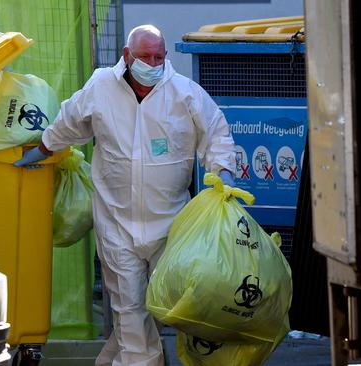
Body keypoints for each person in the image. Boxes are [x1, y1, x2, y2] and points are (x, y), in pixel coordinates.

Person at [14, 24, 236, 366]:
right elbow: (70, 120)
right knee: (129, 308)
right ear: (127, 56)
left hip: (171, 225)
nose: (152, 63)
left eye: (159, 56)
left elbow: (216, 132)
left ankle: (112, 362)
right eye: (145, 56)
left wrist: (222, 174)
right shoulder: (102, 86)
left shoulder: (184, 93)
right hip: (116, 223)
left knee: (167, 304)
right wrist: (43, 148)